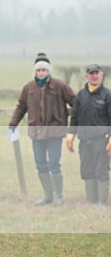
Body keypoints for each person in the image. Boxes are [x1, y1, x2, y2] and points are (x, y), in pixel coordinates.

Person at [9, 52, 75, 205]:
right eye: (39, 70)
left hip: (54, 132)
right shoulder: (29, 88)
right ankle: (48, 195)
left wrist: (69, 117)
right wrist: (13, 123)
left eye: (44, 70)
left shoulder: (60, 86)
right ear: (35, 71)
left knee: (54, 164)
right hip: (36, 133)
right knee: (40, 165)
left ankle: (58, 196)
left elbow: (75, 102)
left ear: (48, 71)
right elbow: (21, 106)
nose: (41, 72)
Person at [66, 64, 111, 205]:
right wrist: (70, 135)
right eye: (91, 73)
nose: (94, 76)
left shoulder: (108, 95)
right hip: (84, 141)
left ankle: (101, 203)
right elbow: (74, 118)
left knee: (101, 171)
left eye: (97, 73)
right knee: (87, 170)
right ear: (87, 76)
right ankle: (91, 202)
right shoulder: (80, 96)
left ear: (101, 75)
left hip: (102, 141)